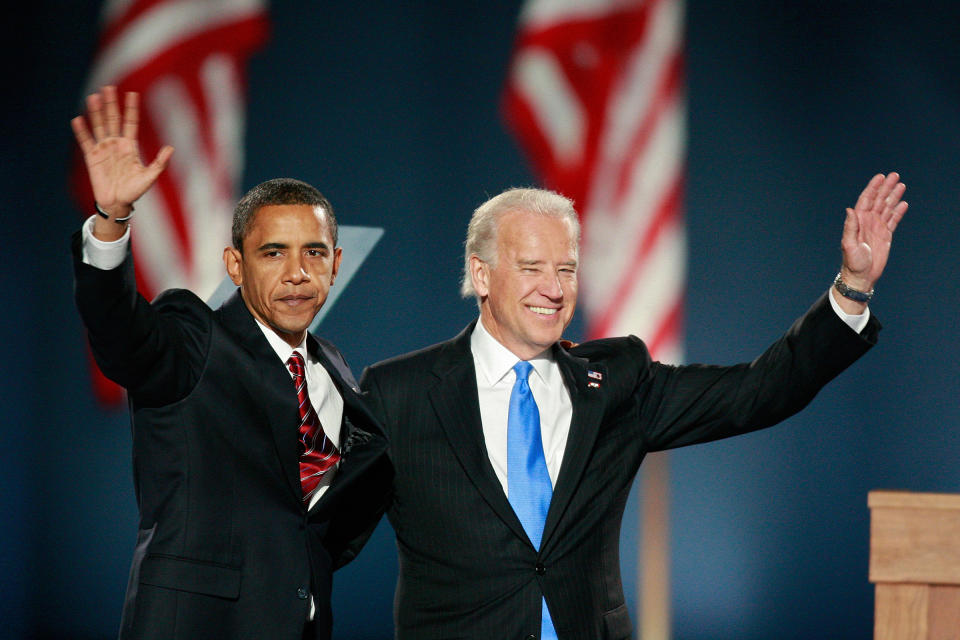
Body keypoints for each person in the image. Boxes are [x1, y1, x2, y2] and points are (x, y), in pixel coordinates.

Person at [360, 176, 906, 639]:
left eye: (567, 269)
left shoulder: (617, 382)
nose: (553, 289)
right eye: (531, 268)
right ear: (481, 275)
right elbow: (325, 528)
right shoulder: (400, 391)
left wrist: (852, 287)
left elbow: (758, 392)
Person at [71, 86, 392, 640]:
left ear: (335, 264)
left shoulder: (330, 367)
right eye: (273, 253)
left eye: (314, 252)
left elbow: (327, 508)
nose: (297, 272)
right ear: (235, 266)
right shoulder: (196, 338)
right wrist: (111, 219)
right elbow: (122, 336)